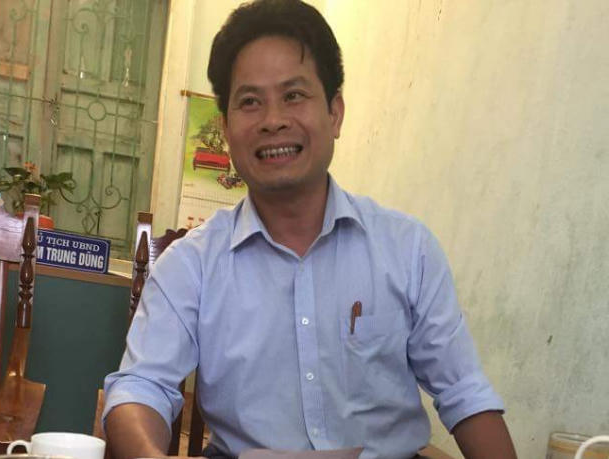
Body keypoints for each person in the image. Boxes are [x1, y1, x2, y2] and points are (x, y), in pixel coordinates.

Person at [103, 1, 517, 458]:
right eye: (250, 102)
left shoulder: (407, 249)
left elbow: (464, 394)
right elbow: (140, 387)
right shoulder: (191, 265)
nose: (273, 120)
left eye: (294, 95)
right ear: (225, 128)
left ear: (335, 113)